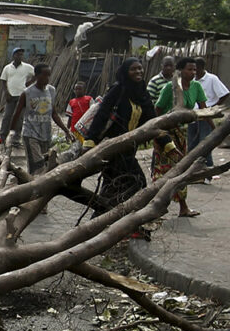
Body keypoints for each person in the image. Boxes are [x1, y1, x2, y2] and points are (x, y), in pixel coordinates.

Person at [82, 57, 172, 236]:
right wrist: (90, 141)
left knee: (114, 188)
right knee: (136, 183)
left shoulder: (142, 93)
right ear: (125, 72)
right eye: (133, 70)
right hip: (113, 149)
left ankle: (98, 227)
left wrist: (166, 142)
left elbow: (152, 121)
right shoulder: (119, 89)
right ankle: (122, 226)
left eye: (140, 69)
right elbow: (102, 114)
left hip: (129, 150)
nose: (138, 72)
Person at [153, 56, 205, 217]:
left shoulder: (196, 86)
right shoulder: (171, 87)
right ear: (180, 71)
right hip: (166, 134)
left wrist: (215, 129)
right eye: (189, 69)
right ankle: (154, 206)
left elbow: (204, 109)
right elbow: (158, 109)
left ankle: (183, 207)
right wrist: (159, 132)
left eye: (194, 69)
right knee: (164, 169)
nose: (193, 72)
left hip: (182, 134)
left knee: (181, 168)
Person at [10, 63, 69, 176]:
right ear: (36, 76)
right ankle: (32, 190)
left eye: (49, 75)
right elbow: (16, 114)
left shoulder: (51, 90)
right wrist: (11, 132)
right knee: (37, 167)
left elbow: (54, 114)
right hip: (30, 134)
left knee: (45, 167)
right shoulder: (27, 93)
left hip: (46, 135)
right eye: (44, 75)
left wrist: (66, 130)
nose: (47, 78)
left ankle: (29, 188)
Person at [192, 57, 228, 182]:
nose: (193, 71)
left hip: (206, 116)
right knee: (192, 145)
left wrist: (213, 107)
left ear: (201, 68)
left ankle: (208, 174)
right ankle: (194, 174)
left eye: (195, 68)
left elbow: (224, 93)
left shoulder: (211, 79)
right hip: (193, 115)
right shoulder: (192, 80)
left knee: (205, 144)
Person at [0, 47, 34, 143]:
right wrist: (6, 93)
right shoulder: (7, 68)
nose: (20, 56)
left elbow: (36, 75)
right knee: (7, 116)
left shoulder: (27, 67)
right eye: (18, 54)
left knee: (19, 117)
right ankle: (2, 135)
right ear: (13, 55)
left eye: (21, 54)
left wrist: (29, 84)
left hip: (22, 96)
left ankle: (16, 137)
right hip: (10, 96)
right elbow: (3, 81)